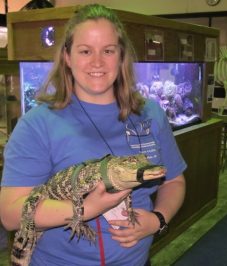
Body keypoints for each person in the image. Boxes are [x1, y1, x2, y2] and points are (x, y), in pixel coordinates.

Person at [0, 4, 186, 266]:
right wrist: (88, 209)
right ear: (67, 56)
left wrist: (158, 219)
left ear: (121, 56)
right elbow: (10, 213)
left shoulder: (151, 114)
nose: (97, 62)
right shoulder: (37, 124)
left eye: (108, 51)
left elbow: (174, 181)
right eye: (85, 51)